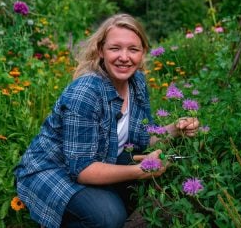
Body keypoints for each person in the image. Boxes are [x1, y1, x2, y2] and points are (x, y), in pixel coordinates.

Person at [14, 14, 199, 228]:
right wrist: (141, 170)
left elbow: (140, 139)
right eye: (115, 48)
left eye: (133, 49)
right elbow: (81, 169)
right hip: (52, 169)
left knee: (144, 191)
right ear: (101, 50)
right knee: (108, 216)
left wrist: (175, 129)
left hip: (102, 158)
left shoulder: (136, 82)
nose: (124, 57)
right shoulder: (86, 93)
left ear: (143, 53)